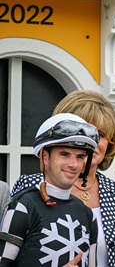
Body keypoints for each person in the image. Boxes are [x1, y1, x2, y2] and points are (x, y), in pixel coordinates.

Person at [11, 90, 115, 267]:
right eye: (83, 131)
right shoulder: (32, 186)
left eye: (99, 135)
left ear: (110, 142)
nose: (89, 141)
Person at [0, 113, 99, 266]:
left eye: (80, 156)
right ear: (45, 157)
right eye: (65, 154)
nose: (73, 164)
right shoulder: (23, 207)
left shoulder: (88, 215)